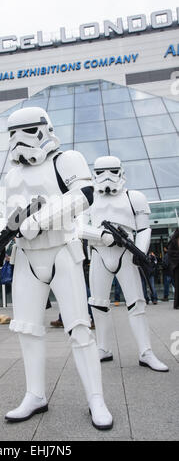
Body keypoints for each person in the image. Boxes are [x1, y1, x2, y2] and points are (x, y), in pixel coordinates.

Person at [0, 107, 113, 430]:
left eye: (26, 132)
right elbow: (8, 213)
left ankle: (95, 398)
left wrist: (40, 221)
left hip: (61, 251)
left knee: (79, 328)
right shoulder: (12, 174)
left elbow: (85, 194)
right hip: (27, 257)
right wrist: (2, 232)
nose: (18, 142)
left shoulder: (66, 159)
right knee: (27, 329)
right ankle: (35, 394)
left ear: (44, 129)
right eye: (12, 135)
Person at [79, 156, 168, 371]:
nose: (107, 177)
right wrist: (100, 234)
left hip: (127, 254)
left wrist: (141, 251)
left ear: (121, 172)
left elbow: (144, 228)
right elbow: (78, 227)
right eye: (101, 172)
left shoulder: (134, 197)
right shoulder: (89, 199)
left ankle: (145, 351)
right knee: (98, 304)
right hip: (100, 253)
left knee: (136, 304)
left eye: (112, 171)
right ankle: (103, 348)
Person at [167, 229, 179, 309]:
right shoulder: (173, 241)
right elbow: (171, 253)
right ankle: (177, 304)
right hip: (177, 267)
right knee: (178, 286)